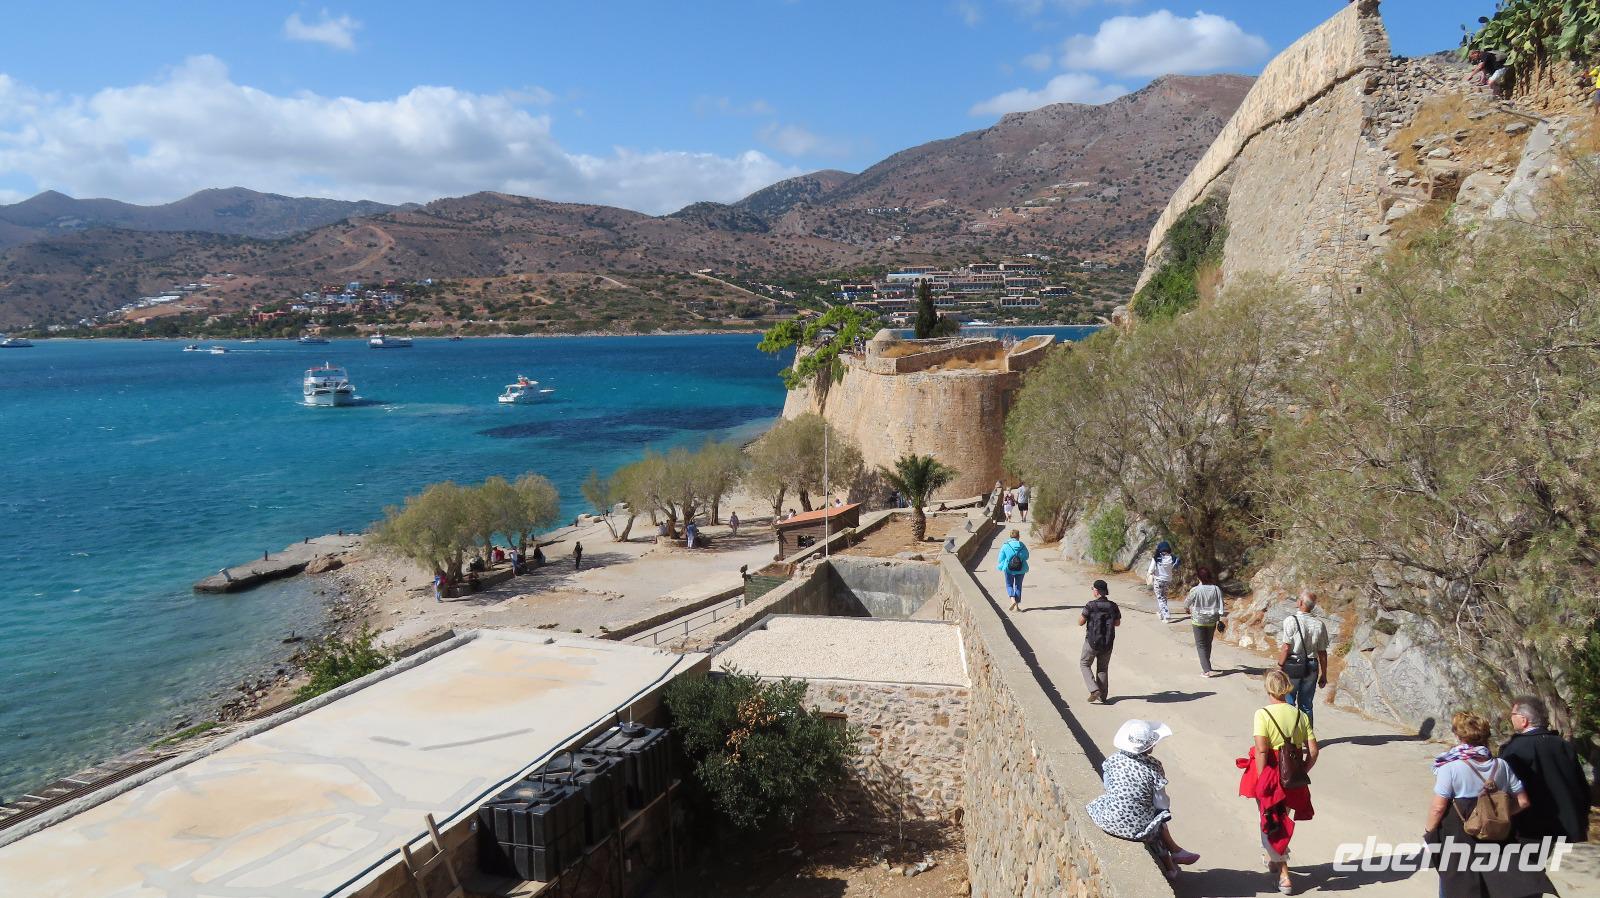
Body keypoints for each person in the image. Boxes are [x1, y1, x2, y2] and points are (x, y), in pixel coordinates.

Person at [1426, 711, 1554, 898]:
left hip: (1459, 835)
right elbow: (1523, 801)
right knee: (1492, 884)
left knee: (1455, 883)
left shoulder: (1450, 767)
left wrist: (1429, 832)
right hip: (1495, 835)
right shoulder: (1501, 765)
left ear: (1459, 735)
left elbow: (1438, 808)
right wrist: (1495, 815)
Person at [1087, 719, 1200, 880]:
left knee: (1152, 819)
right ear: (1149, 746)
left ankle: (1174, 859)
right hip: (1134, 829)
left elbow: (1108, 786)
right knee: (1158, 820)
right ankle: (1173, 857)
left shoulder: (1113, 760)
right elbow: (1161, 801)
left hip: (1108, 820)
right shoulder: (1154, 767)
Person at [1240, 669, 1318, 895]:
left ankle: (1284, 876)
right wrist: (1301, 770)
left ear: (1268, 688)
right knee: (1280, 818)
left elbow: (1262, 749)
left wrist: (1262, 778)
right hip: (1291, 774)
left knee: (1271, 821)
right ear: (1287, 687)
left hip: (1270, 770)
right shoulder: (1300, 715)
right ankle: (1273, 859)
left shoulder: (1262, 714)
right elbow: (1313, 751)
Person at [1499, 695, 1592, 844]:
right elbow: (1582, 787)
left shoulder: (1513, 750)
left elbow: (1506, 791)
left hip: (1531, 831)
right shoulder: (1563, 745)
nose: (1511, 718)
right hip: (1570, 828)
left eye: (1513, 714)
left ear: (1524, 720)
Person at [1278, 591, 1330, 728]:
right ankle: (1307, 736)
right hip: (1311, 665)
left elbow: (1285, 647)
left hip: (1293, 664)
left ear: (1300, 603)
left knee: (1289, 702)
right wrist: (1324, 674)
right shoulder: (1319, 624)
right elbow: (1322, 652)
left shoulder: (1290, 621)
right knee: (1306, 704)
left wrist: (1279, 666)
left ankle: (1289, 736)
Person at [1079, 579, 1122, 704]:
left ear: (1096, 591)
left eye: (1093, 589)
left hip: (1092, 641)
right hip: (1107, 642)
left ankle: (1094, 689)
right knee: (1102, 668)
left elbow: (1080, 622)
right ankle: (1102, 697)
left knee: (1084, 664)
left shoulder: (1090, 605)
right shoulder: (1113, 606)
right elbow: (1117, 623)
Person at [1184, 567, 1227, 677]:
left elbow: (1187, 602)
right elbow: (1221, 603)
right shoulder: (1216, 589)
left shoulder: (1196, 590)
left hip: (1198, 620)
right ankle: (1207, 664)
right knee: (1208, 643)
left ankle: (1206, 670)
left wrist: (1187, 609)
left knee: (1201, 645)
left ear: (1199, 577)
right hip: (1211, 620)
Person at [995, 529, 1030, 612]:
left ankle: (1012, 600)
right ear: (1018, 536)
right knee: (1018, 586)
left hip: (1008, 569)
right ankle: (1017, 606)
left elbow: (1000, 559)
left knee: (1009, 585)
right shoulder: (1022, 545)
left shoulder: (1005, 545)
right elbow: (1027, 556)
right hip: (1021, 569)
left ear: (1010, 536)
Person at [1146, 541, 1180, 622]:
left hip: (1158, 580)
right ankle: (1162, 613)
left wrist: (1149, 576)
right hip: (1168, 580)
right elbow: (1176, 566)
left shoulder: (1157, 558)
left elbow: (1150, 570)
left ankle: (1166, 616)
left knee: (1160, 598)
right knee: (1164, 597)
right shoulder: (1172, 558)